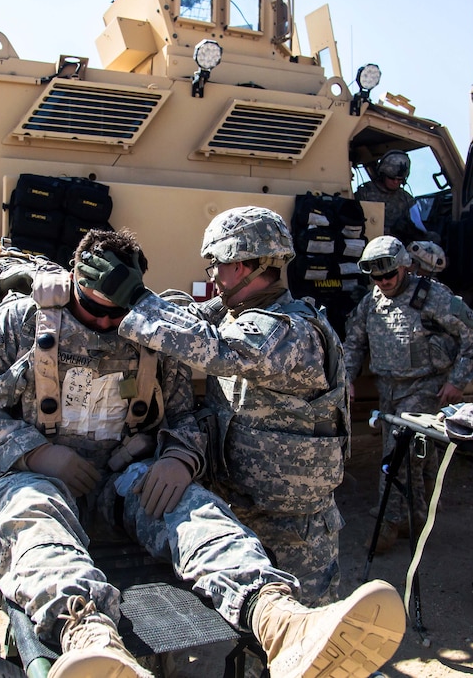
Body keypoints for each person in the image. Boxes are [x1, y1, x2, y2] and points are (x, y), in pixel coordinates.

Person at [0, 228, 405, 678]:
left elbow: (185, 415)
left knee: (195, 510)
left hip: (124, 483)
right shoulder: (22, 323)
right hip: (39, 478)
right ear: (72, 284)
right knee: (29, 512)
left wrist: (179, 459)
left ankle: (278, 619)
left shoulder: (151, 334)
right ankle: (89, 638)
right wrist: (32, 453)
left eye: (116, 312)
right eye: (92, 309)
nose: (106, 323)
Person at [75, 207, 351, 607]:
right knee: (251, 627)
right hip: (242, 507)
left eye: (218, 265)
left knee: (304, 642)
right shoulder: (236, 312)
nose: (214, 276)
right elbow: (185, 318)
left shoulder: (291, 331)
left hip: (293, 529)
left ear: (245, 265)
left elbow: (214, 349)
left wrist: (136, 298)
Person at [341, 235, 473, 551]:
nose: (383, 281)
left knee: (398, 456)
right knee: (418, 455)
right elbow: (354, 343)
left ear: (404, 266)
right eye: (376, 277)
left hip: (424, 387)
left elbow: (471, 335)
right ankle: (416, 515)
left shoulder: (433, 297)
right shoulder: (371, 302)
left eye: (388, 275)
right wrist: (348, 378)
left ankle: (387, 524)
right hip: (388, 390)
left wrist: (458, 381)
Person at [355, 150, 429, 244]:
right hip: (371, 244)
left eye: (400, 179)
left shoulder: (406, 198)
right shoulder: (365, 193)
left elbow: (419, 228)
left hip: (399, 245)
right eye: (391, 178)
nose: (395, 182)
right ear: (382, 175)